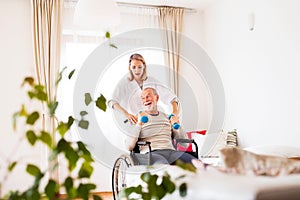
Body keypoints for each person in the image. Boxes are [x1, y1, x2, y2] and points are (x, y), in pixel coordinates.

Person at [124, 87, 196, 165]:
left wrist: (178, 126)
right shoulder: (137, 118)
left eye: (148, 96)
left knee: (195, 163)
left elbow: (184, 145)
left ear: (156, 97)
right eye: (143, 98)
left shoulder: (167, 117)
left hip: (170, 152)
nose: (145, 100)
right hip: (151, 153)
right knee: (163, 167)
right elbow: (129, 146)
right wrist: (139, 124)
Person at [107, 53, 180, 125]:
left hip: (151, 122)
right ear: (130, 68)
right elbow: (111, 101)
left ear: (144, 66)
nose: (137, 70)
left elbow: (172, 97)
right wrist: (127, 115)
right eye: (134, 67)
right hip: (134, 123)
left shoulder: (151, 81)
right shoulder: (124, 83)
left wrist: (174, 113)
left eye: (139, 67)